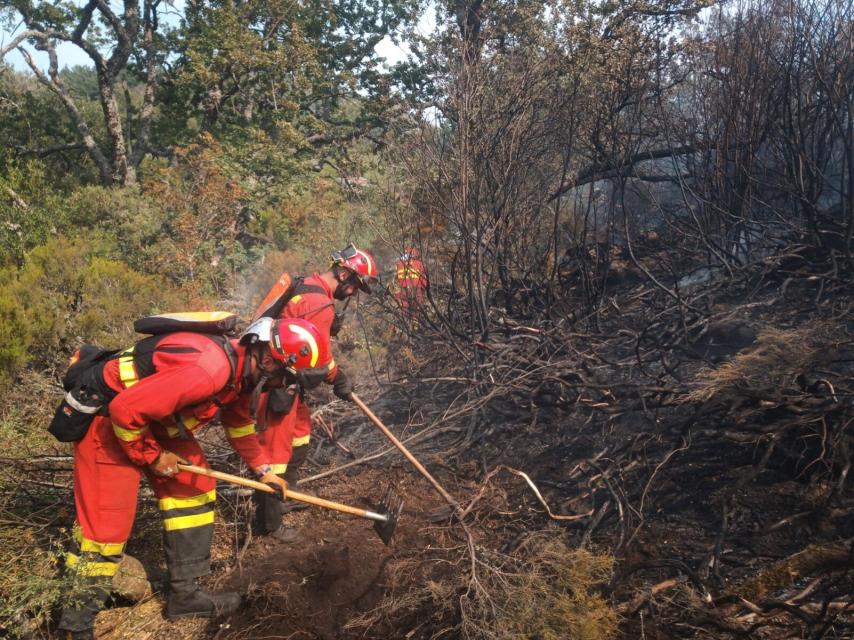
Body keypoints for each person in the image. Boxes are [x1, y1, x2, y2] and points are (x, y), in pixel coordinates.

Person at [57, 317, 332, 640]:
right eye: (285, 379)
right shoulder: (209, 370)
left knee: (195, 490)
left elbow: (238, 424)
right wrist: (154, 457)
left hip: (151, 421)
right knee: (106, 528)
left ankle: (185, 596)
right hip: (109, 422)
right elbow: (124, 411)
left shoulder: (242, 375)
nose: (282, 387)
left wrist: (264, 471)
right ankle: (75, 625)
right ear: (269, 361)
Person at [252, 243, 379, 543]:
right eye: (355, 286)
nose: (353, 293)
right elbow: (320, 359)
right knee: (276, 457)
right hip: (277, 386)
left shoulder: (305, 284)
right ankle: (269, 525)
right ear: (344, 274)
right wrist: (340, 379)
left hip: (284, 381)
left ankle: (285, 495)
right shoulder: (319, 304)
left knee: (300, 436)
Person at [394, 246, 427, 323]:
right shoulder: (420, 264)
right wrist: (423, 291)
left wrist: (397, 296)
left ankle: (403, 327)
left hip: (403, 291)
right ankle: (415, 326)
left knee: (403, 312)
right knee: (415, 313)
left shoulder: (399, 264)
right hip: (416, 291)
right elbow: (424, 282)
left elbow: (396, 281)